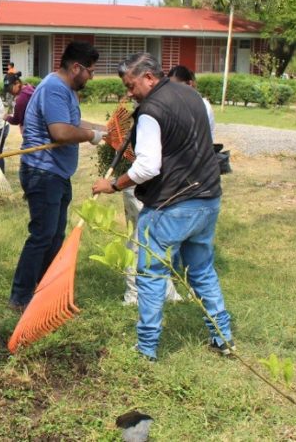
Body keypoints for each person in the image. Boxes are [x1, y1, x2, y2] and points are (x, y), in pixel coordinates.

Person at [92, 53, 233, 362]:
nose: (129, 93)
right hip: (208, 199)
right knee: (202, 270)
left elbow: (146, 168)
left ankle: (146, 347)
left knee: (151, 273)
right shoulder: (195, 96)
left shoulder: (151, 111)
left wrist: (112, 184)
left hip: (172, 205)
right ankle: (223, 338)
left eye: (131, 85)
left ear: (149, 78)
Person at [9, 41, 106, 311]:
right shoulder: (54, 89)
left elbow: (74, 123)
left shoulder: (65, 90)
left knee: (54, 236)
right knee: (42, 235)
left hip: (57, 174)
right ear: (76, 67)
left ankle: (43, 290)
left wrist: (104, 130)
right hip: (43, 172)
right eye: (90, 71)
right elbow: (62, 132)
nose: (91, 77)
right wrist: (91, 136)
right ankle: (20, 297)